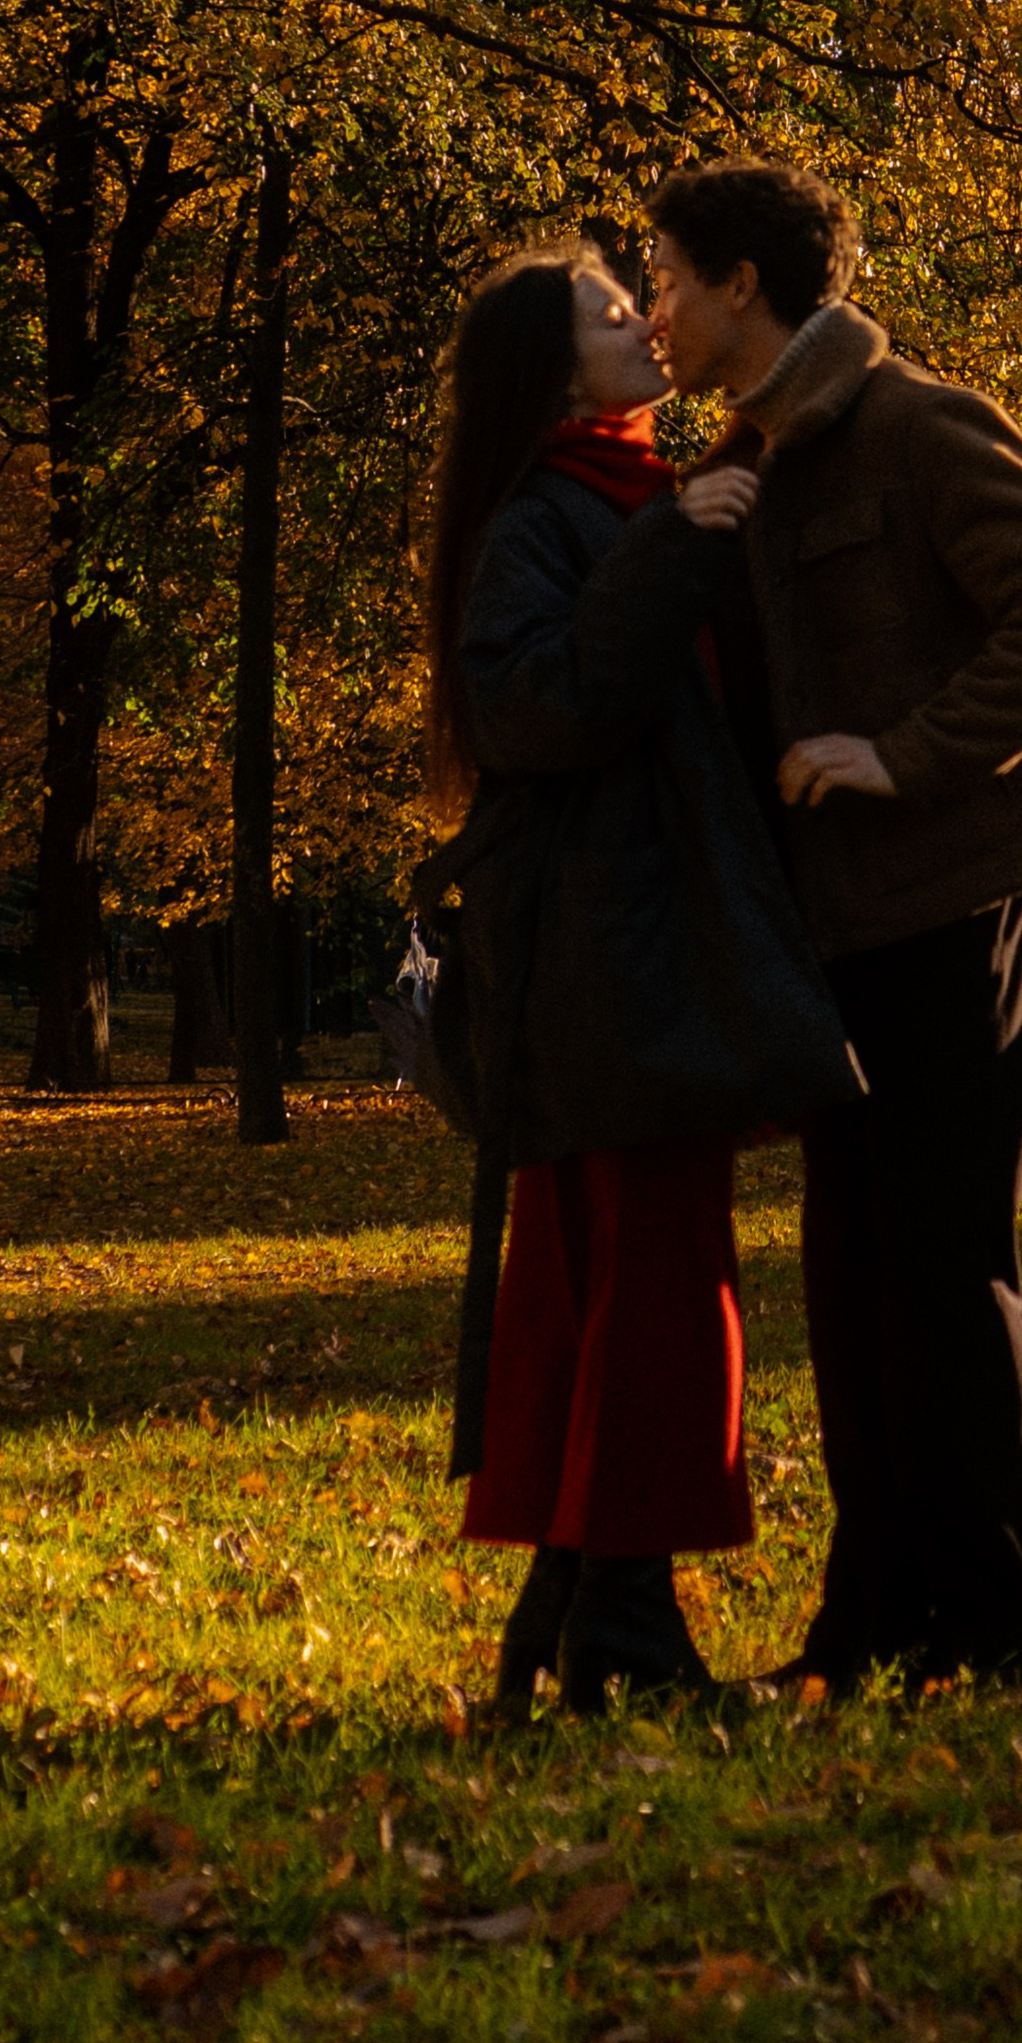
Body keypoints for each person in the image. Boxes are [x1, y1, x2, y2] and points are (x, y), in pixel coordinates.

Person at [646, 156, 1022, 1693]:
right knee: (856, 1280)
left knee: (941, 1267)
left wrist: (907, 754)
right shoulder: (750, 459)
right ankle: (869, 1630)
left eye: (666, 278)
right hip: (840, 927)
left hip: (962, 893)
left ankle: (1004, 1637)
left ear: (743, 284)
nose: (653, 311)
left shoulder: (916, 423)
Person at [422, 238, 852, 1712]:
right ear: (556, 375)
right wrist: (674, 543)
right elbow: (534, 709)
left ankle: (577, 1603)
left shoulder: (629, 494)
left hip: (646, 948)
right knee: (654, 1286)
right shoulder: (545, 517)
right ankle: (626, 1621)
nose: (646, 326)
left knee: (619, 1282)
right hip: (604, 966)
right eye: (614, 315)